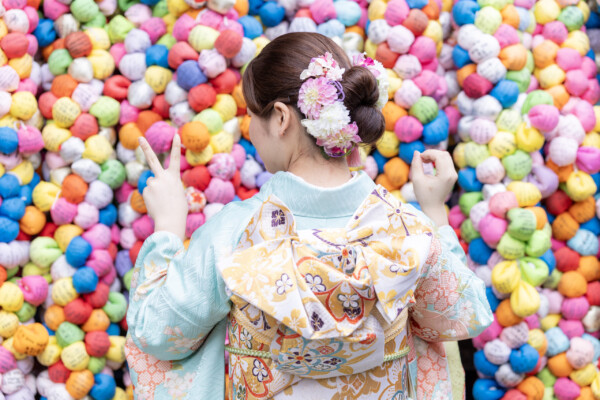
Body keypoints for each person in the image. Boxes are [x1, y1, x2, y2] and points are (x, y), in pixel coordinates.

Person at [125, 32, 493, 400]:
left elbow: (158, 334)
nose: (251, 133)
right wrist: (435, 212)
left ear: (280, 118)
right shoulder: (407, 229)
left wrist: (168, 227)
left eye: (252, 117)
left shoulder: (234, 233)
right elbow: (463, 313)